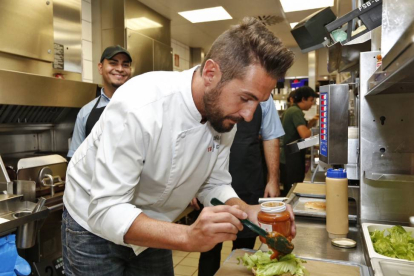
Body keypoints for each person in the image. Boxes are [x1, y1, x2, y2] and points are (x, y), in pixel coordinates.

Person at [62, 17, 295, 276]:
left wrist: (248, 211)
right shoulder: (139, 106)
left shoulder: (225, 116)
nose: (250, 115)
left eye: (258, 102)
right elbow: (106, 209)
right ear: (210, 73)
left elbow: (213, 182)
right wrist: (187, 236)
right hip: (92, 226)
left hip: (154, 223)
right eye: (245, 98)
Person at [197, 94, 285, 276]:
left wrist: (273, 179)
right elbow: (195, 142)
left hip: (248, 176)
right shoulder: (214, 92)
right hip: (208, 179)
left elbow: (271, 137)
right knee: (209, 248)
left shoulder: (265, 97)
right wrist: (190, 185)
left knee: (245, 249)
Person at [67, 45, 132, 160]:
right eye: (113, 63)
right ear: (100, 68)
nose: (120, 69)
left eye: (125, 65)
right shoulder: (85, 112)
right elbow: (76, 159)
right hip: (95, 178)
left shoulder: (142, 107)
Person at [280, 86, 319, 195]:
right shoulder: (295, 111)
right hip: (291, 157)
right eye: (311, 100)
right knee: (292, 190)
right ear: (303, 99)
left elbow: (301, 129)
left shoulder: (293, 110)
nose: (312, 104)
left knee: (289, 187)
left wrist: (311, 122)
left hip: (290, 156)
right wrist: (320, 131)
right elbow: (305, 134)